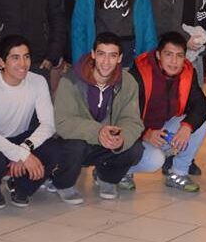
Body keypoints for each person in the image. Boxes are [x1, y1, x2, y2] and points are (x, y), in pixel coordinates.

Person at [0, 35, 83, 209]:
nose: (23, 63)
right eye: (15, 58)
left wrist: (25, 149)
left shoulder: (37, 81)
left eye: (26, 57)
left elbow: (48, 124)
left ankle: (21, 187)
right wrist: (22, 155)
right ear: (1, 62)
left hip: (20, 138)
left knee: (55, 150)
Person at [54, 32, 146, 200]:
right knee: (74, 147)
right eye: (101, 54)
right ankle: (64, 183)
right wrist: (98, 131)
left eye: (113, 56)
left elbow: (132, 120)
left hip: (106, 143)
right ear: (93, 54)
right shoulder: (71, 79)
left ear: (120, 58)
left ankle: (107, 179)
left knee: (135, 148)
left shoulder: (128, 82)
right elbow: (63, 122)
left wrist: (121, 138)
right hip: (77, 141)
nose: (106, 62)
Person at [126, 32, 206, 191]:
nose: (174, 61)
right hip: (136, 133)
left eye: (179, 56)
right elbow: (124, 115)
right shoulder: (140, 73)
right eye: (168, 54)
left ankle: (178, 173)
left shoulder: (187, 72)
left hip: (162, 130)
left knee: (199, 124)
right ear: (158, 55)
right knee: (155, 160)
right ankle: (117, 170)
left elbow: (201, 105)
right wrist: (146, 133)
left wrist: (187, 126)